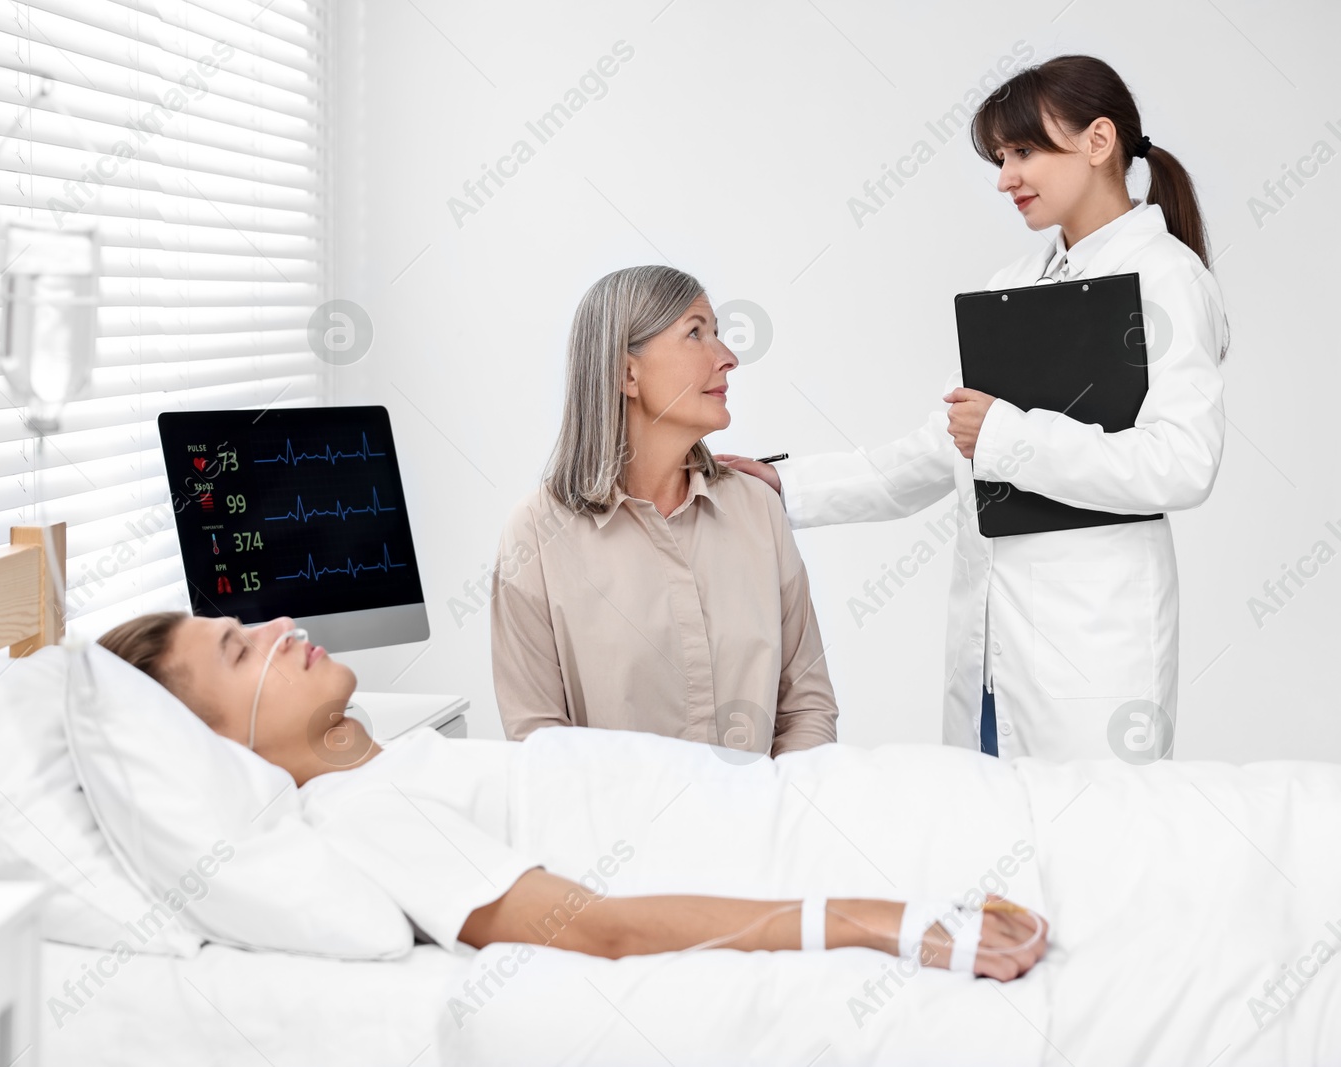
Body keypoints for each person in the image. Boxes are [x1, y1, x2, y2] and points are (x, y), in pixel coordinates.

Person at [719, 55, 1229, 763]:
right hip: (991, 650)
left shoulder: (1167, 278)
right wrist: (787, 485)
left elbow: (1183, 463)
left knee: (1085, 855)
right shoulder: (1016, 282)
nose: (1004, 177)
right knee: (986, 850)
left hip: (1092, 653)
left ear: (1099, 140)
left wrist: (1009, 437)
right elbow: (945, 447)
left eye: (1023, 151)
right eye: (999, 156)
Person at [96, 610, 1049, 981]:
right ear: (213, 743)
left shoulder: (390, 766)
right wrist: (882, 919)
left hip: (823, 798)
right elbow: (600, 929)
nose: (275, 625)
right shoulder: (358, 817)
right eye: (238, 650)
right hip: (818, 846)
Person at [490, 265, 838, 758]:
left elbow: (807, 708)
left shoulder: (758, 509)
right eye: (696, 333)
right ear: (626, 373)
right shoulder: (536, 535)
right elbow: (539, 742)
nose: (729, 358)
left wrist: (772, 819)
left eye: (718, 333)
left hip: (757, 827)